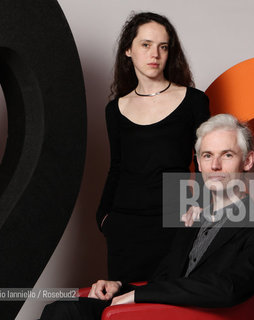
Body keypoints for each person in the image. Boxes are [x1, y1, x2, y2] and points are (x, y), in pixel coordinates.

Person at [40, 114, 254, 319]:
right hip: (156, 311)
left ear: (248, 160)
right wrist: (121, 288)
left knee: (67, 312)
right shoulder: (193, 219)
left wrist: (138, 295)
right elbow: (164, 281)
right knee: (62, 310)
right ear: (198, 164)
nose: (215, 166)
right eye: (207, 156)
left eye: (227, 155)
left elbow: (228, 288)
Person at [96, 11, 210, 283]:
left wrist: (200, 207)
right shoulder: (115, 109)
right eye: (145, 45)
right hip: (125, 223)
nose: (154, 54)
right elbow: (117, 167)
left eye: (163, 46)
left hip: (175, 219)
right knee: (125, 306)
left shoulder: (194, 101)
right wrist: (103, 217)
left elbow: (205, 162)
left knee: (170, 304)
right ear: (128, 49)